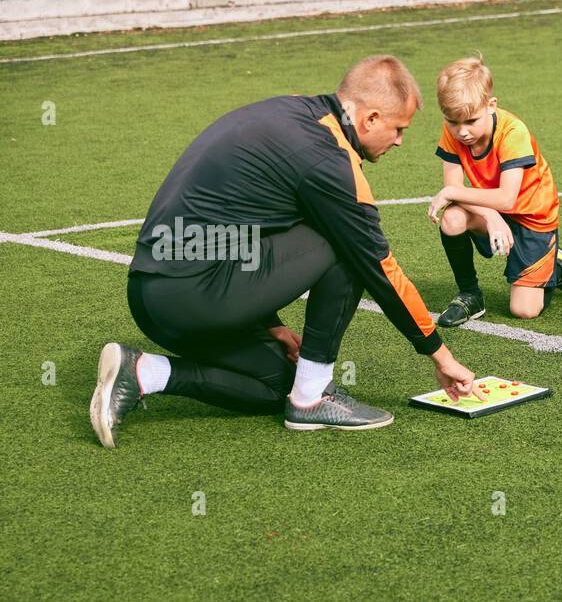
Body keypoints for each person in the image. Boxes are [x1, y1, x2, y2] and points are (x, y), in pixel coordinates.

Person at [90, 55, 478, 449]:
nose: (399, 141)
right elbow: (381, 268)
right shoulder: (328, 158)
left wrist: (268, 324)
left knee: (276, 385)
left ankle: (143, 372)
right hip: (191, 295)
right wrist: (441, 357)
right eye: (398, 129)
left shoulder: (289, 109)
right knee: (350, 245)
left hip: (156, 297)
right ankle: (313, 398)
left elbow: (242, 228)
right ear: (371, 118)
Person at [429, 54, 562, 326]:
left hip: (533, 217)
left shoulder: (513, 131)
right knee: (452, 219)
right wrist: (490, 216)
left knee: (523, 310)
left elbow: (505, 197)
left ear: (491, 105)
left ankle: (555, 268)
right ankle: (470, 294)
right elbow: (455, 188)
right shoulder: (453, 130)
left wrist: (455, 194)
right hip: (494, 209)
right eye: (453, 122)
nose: (461, 132)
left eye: (470, 121)